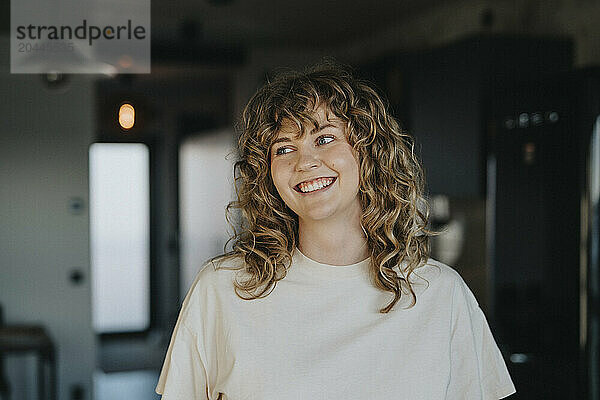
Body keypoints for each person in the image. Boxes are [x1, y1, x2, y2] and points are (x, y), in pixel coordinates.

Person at [155, 63, 516, 399]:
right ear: (268, 174)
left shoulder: (441, 294)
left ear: (368, 153)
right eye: (283, 148)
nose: (304, 161)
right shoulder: (223, 288)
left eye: (324, 138)